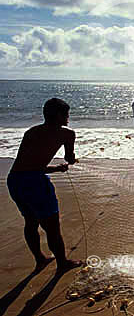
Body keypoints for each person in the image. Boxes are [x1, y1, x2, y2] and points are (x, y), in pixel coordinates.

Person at [7, 98, 82, 273]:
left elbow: (28, 165)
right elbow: (69, 158)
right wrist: (69, 161)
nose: (68, 118)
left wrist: (55, 168)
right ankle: (62, 264)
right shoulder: (67, 134)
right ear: (58, 116)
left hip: (15, 181)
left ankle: (40, 259)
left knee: (30, 222)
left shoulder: (31, 132)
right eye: (66, 114)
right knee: (52, 227)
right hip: (35, 183)